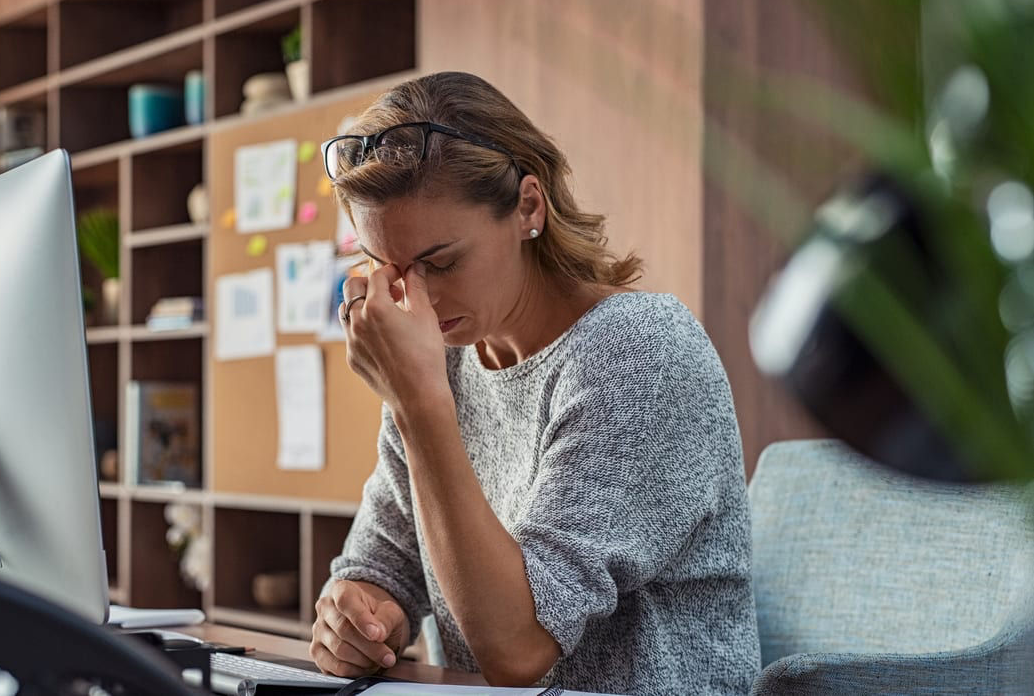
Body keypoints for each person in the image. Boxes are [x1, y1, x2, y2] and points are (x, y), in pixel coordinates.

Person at [310, 71, 760, 694]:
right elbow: (383, 563)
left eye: (441, 262)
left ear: (528, 206)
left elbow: (518, 650)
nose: (417, 298)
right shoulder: (442, 362)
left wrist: (417, 404)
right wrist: (358, 615)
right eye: (390, 268)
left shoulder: (639, 353)